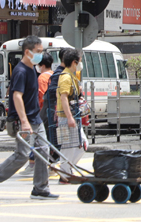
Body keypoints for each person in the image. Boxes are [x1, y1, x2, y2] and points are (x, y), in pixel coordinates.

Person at [0, 36, 58, 200]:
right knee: (22, 155)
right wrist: (23, 121)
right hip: (23, 121)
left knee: (43, 151)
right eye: (38, 51)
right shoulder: (21, 71)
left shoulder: (32, 69)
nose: (41, 54)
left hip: (35, 119)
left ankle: (40, 188)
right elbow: (16, 96)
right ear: (27, 52)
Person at [55, 49, 87, 184]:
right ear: (74, 62)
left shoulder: (72, 76)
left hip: (72, 117)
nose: (80, 64)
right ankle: (65, 174)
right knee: (68, 147)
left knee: (81, 145)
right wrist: (69, 118)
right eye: (79, 61)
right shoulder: (66, 77)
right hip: (66, 117)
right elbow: (63, 98)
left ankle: (67, 170)